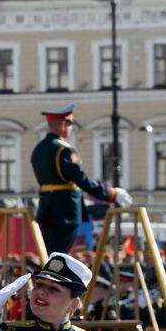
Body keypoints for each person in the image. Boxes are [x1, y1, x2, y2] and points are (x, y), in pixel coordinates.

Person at [31, 106, 131, 256]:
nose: (71, 128)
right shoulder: (64, 150)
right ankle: (51, 279)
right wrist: (110, 193)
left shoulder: (38, 149)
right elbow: (82, 180)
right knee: (58, 256)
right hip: (65, 210)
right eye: (70, 124)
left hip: (46, 208)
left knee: (47, 254)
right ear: (63, 125)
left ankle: (46, 278)